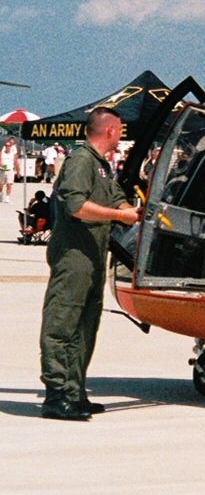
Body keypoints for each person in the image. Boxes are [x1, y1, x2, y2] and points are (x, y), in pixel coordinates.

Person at [38, 109, 139, 421]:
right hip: (74, 257)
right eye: (120, 130)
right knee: (62, 323)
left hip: (93, 257)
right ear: (109, 131)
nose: (121, 135)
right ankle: (57, 395)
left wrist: (126, 207)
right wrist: (120, 216)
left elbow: (114, 196)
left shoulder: (101, 167)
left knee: (85, 327)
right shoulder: (82, 161)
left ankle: (74, 391)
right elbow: (76, 206)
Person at [0, 133, 16, 200]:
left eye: (9, 145)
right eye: (6, 145)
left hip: (10, 169)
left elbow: (15, 161)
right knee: (1, 183)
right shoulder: (2, 151)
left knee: (9, 184)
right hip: (3, 169)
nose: (7, 146)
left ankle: (7, 197)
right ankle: (1, 194)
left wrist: (16, 169)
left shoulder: (13, 152)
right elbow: (0, 159)